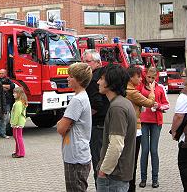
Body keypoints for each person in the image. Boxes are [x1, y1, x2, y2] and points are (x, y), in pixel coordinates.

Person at [97, 64, 136, 192]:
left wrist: (104, 170)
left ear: (110, 83)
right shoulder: (123, 103)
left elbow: (116, 145)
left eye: (101, 79)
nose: (98, 82)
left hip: (113, 176)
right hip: (117, 174)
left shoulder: (117, 108)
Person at [57, 62, 92, 192]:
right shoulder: (82, 97)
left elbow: (61, 128)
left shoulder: (77, 100)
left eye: (70, 76)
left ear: (79, 80)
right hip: (78, 154)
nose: (67, 78)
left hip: (75, 157)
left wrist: (61, 123)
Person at [125, 66, 156, 192]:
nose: (140, 78)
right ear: (131, 77)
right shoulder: (132, 92)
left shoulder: (126, 90)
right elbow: (150, 102)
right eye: (138, 76)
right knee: (132, 162)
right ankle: (131, 187)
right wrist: (152, 91)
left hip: (130, 127)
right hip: (135, 128)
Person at [139, 67, 169, 189]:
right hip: (143, 121)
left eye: (153, 77)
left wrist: (159, 106)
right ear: (145, 76)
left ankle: (155, 179)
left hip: (156, 121)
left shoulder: (160, 88)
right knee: (145, 150)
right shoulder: (140, 87)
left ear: (156, 77)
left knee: (154, 150)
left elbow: (167, 105)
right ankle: (143, 179)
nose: (151, 80)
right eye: (149, 77)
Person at [82, 49, 109, 186]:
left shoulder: (93, 79)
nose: (84, 64)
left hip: (98, 126)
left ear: (98, 62)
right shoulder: (105, 74)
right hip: (108, 124)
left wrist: (85, 118)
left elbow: (97, 104)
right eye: (83, 61)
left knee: (99, 163)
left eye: (87, 61)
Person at [10, 87, 28, 158]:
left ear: (19, 94)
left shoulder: (18, 103)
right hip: (18, 122)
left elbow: (17, 114)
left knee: (18, 137)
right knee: (16, 137)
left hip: (17, 123)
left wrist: (13, 123)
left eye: (15, 93)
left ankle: (20, 153)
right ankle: (18, 151)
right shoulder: (19, 102)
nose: (13, 94)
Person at [0, 69, 15, 139]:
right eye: (0, 73)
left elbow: (12, 86)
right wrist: (5, 87)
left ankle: (3, 133)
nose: (1, 74)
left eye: (2, 73)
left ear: (5, 73)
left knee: (5, 118)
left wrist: (2, 86)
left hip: (7, 102)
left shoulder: (9, 80)